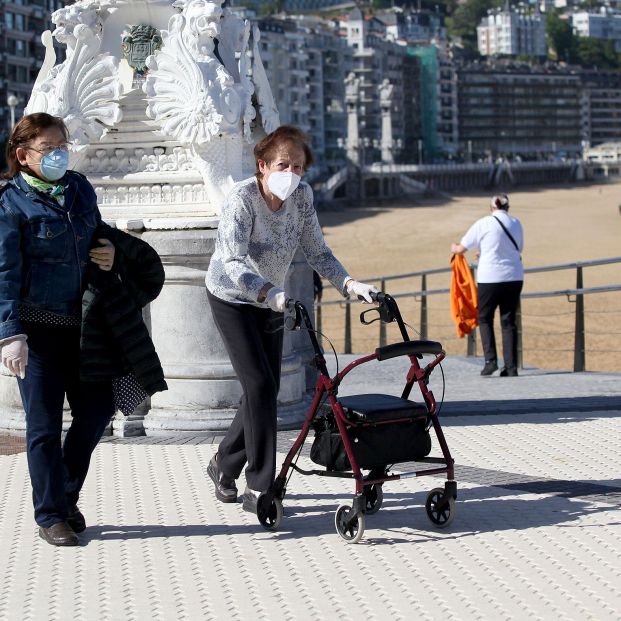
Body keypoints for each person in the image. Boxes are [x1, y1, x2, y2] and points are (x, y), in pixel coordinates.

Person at [0, 113, 165, 546]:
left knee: (95, 414)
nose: (59, 154)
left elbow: (95, 232)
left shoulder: (78, 188)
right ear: (23, 155)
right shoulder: (9, 205)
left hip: (87, 327)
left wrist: (109, 247)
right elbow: (4, 273)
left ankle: (64, 492)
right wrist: (9, 332)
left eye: (62, 145)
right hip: (37, 335)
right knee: (43, 428)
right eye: (48, 148)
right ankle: (51, 514)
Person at [205, 125, 377, 513]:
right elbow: (232, 261)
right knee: (261, 385)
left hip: (272, 301)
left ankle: (223, 463)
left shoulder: (301, 197)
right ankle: (260, 486)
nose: (292, 175)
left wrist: (350, 283)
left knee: (263, 388)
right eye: (284, 165)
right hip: (232, 296)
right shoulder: (242, 199)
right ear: (262, 165)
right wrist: (269, 292)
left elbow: (318, 251)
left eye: (299, 167)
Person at [451, 194, 524, 377]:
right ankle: (511, 366)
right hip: (514, 276)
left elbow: (461, 248)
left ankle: (490, 361)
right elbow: (517, 249)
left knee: (485, 318)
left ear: (491, 208)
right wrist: (484, 252)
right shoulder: (516, 223)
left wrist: (454, 248)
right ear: (507, 207)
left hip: (490, 278)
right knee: (508, 321)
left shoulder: (484, 223)